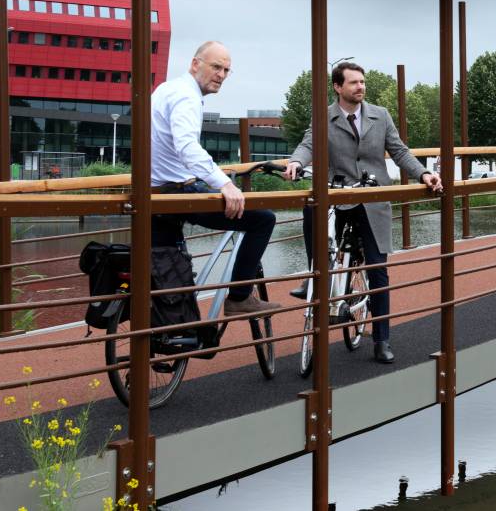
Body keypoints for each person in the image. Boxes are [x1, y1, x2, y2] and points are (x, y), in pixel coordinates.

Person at [284, 62, 441, 363]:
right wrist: (296, 163)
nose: (361, 87)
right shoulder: (324, 117)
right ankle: (314, 273)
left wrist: (423, 174)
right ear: (337, 87)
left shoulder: (379, 115)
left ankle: (381, 339)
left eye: (362, 82)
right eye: (354, 83)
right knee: (311, 210)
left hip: (371, 199)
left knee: (377, 269)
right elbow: (307, 145)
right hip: (338, 195)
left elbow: (399, 151)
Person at [150, 41, 279, 315]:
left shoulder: (166, 89)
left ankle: (167, 340)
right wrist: (225, 183)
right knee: (263, 220)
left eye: (226, 70)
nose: (221, 75)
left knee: (167, 270)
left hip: (154, 192)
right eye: (216, 67)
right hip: (177, 193)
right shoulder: (187, 96)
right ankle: (240, 297)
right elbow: (187, 147)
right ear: (195, 64)